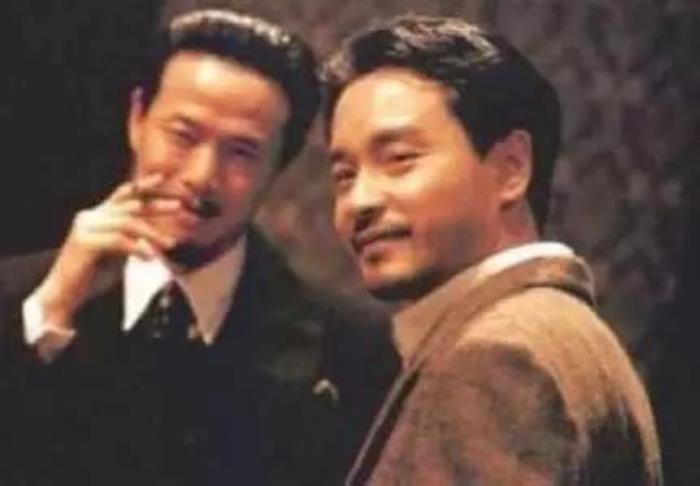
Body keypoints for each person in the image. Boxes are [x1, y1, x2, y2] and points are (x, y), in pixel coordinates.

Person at [0, 8, 397, 486]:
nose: (201, 177)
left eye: (241, 153)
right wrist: (49, 314)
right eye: (182, 136)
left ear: (280, 166)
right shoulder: (20, 296)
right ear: (137, 119)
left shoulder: (351, 348)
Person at [322, 14, 662, 485]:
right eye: (344, 176)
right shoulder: (551, 327)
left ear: (511, 168)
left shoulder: (502, 355)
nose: (359, 201)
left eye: (399, 159)